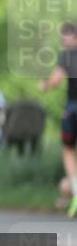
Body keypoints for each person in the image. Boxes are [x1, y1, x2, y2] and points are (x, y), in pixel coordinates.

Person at [39, 21, 77, 217]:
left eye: (65, 37)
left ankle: (76, 193)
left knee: (68, 151)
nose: (63, 41)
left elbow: (56, 80)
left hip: (73, 109)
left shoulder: (68, 55)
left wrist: (44, 85)